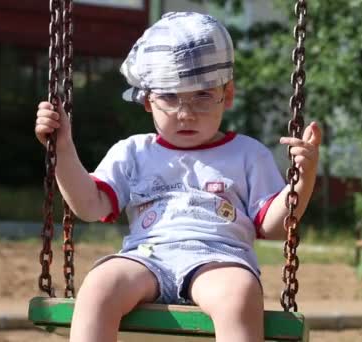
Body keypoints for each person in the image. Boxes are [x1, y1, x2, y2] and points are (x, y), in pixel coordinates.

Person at [34, 12, 321, 342]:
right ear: (147, 101)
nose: (186, 113)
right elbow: (90, 205)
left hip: (219, 261)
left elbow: (273, 227)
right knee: (100, 285)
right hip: (146, 258)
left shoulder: (247, 154)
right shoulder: (134, 152)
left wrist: (303, 178)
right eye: (169, 98)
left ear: (227, 95)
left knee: (239, 294)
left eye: (202, 96)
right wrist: (63, 148)